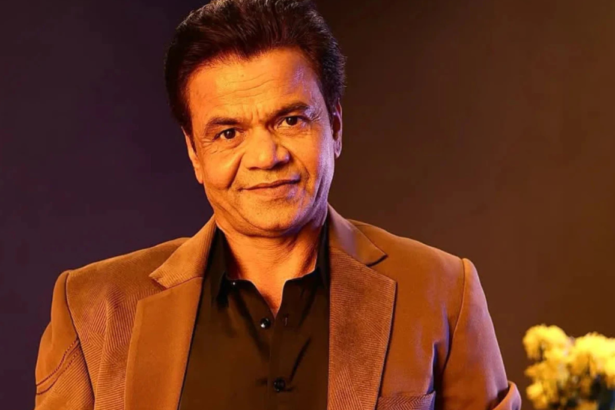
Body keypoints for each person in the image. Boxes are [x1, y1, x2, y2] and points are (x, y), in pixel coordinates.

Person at [33, 0, 521, 409]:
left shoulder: (442, 291)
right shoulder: (93, 307)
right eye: (229, 133)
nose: (266, 157)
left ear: (335, 127)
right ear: (195, 153)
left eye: (290, 120)